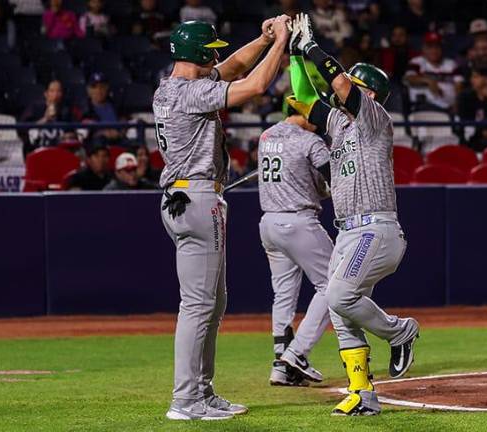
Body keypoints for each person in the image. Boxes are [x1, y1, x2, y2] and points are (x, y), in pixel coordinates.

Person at [154, 17, 290, 421]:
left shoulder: (169, 87)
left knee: (213, 303)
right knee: (198, 304)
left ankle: (202, 391)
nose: (216, 54)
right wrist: (280, 42)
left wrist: (263, 39)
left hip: (184, 197)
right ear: (197, 53)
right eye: (210, 49)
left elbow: (230, 68)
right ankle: (185, 400)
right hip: (196, 198)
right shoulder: (191, 92)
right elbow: (253, 86)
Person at [289, 13, 419, 416]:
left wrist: (312, 47)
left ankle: (400, 332)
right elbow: (301, 100)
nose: (342, 91)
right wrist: (295, 55)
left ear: (371, 94)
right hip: (348, 231)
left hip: (376, 229)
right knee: (339, 308)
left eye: (356, 86)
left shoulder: (375, 120)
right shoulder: (340, 125)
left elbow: (341, 83)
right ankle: (363, 395)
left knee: (342, 295)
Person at [260, 54, 334, 388]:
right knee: (336, 285)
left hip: (269, 225)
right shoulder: (311, 141)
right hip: (298, 222)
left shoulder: (265, 136)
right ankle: (297, 353)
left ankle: (280, 364)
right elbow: (332, 183)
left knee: (283, 295)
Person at [19, 80, 82, 156]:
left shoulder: (66, 110)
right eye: (52, 91)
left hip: (60, 153)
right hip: (38, 152)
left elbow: (75, 132)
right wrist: (45, 119)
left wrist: (69, 136)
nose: (55, 95)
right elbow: (22, 129)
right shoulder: (35, 108)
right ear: (46, 94)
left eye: (59, 91)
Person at [404, 32, 463, 111]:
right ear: (424, 48)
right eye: (430, 47)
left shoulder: (451, 64)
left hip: (450, 108)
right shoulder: (417, 62)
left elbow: (459, 86)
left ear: (442, 48)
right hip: (424, 108)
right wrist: (428, 81)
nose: (434, 50)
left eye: (437, 47)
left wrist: (457, 103)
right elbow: (408, 78)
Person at [81, 73, 125, 147]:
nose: (98, 90)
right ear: (89, 90)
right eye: (94, 87)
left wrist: (120, 133)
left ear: (107, 88)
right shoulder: (84, 109)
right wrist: (102, 133)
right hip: (95, 145)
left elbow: (124, 121)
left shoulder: (115, 106)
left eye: (102, 87)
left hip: (118, 141)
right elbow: (84, 133)